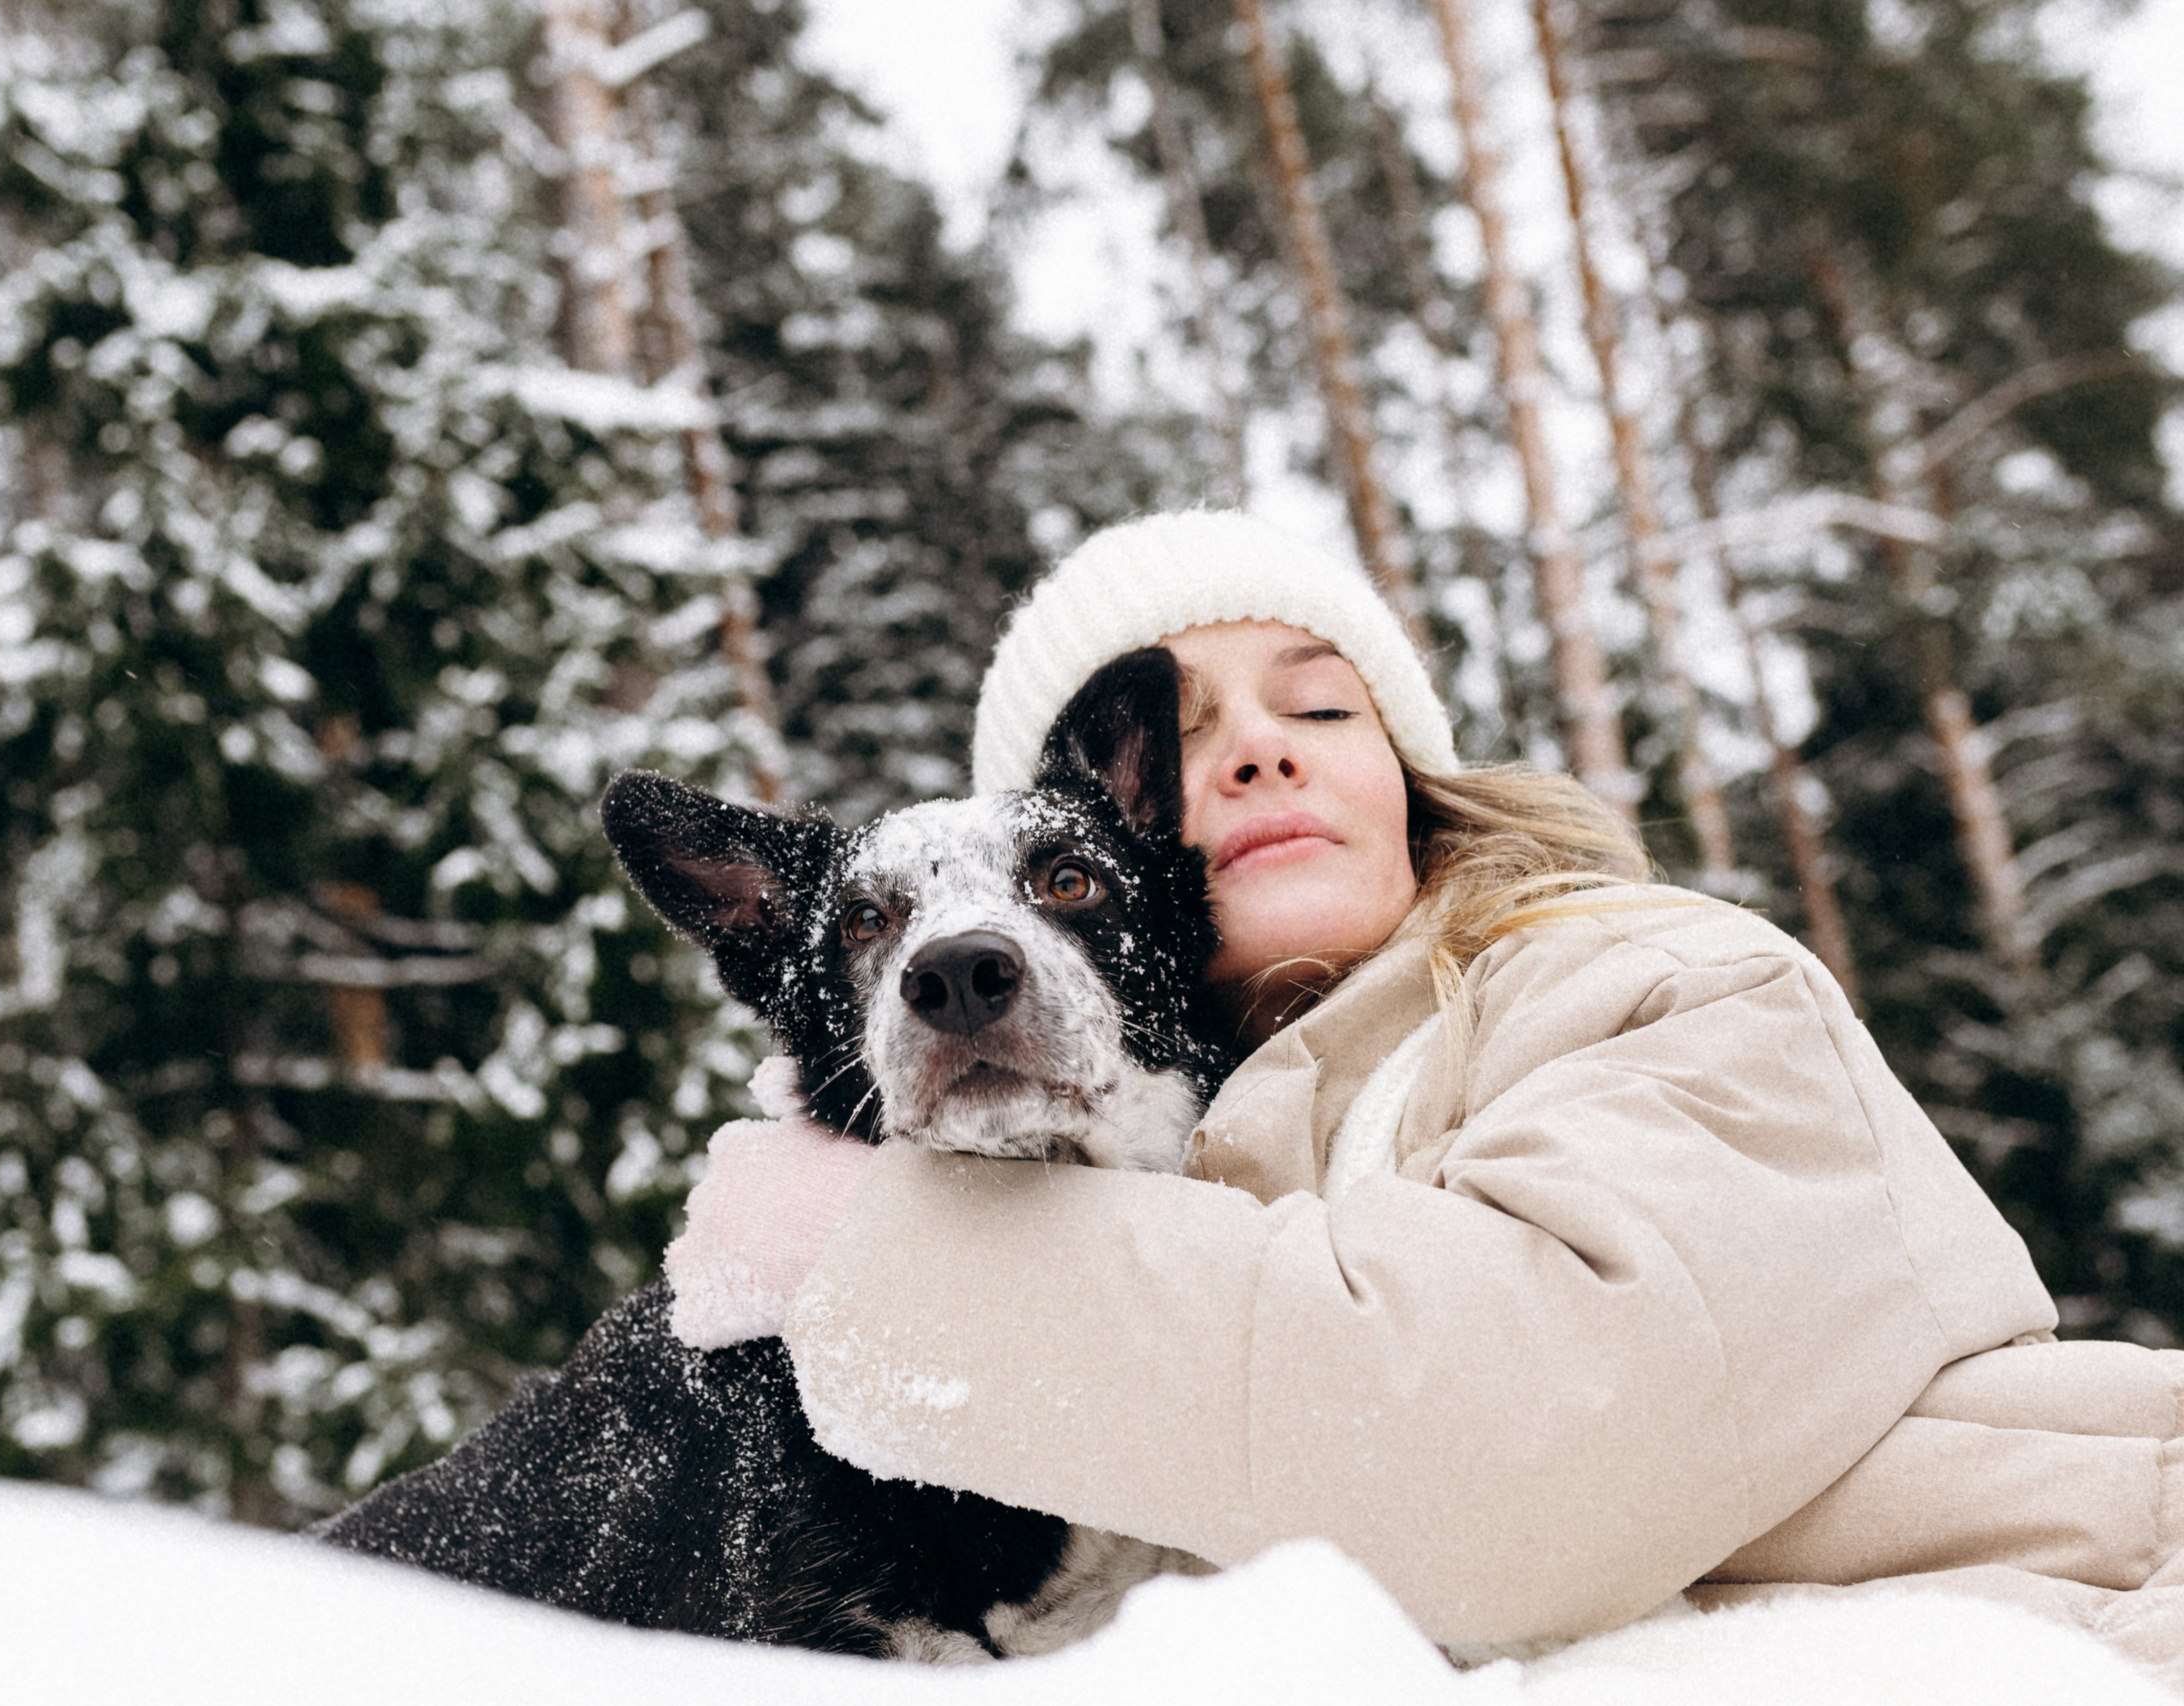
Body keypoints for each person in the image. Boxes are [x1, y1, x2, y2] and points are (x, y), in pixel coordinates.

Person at [660, 509, 2184, 1680]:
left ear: (1410, 775)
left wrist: (880, 1250)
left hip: (2047, 1639)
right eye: (1189, 735)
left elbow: (1517, 1462)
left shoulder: (1669, 982)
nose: (1260, 750)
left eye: (1321, 709)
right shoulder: (1203, 1153)